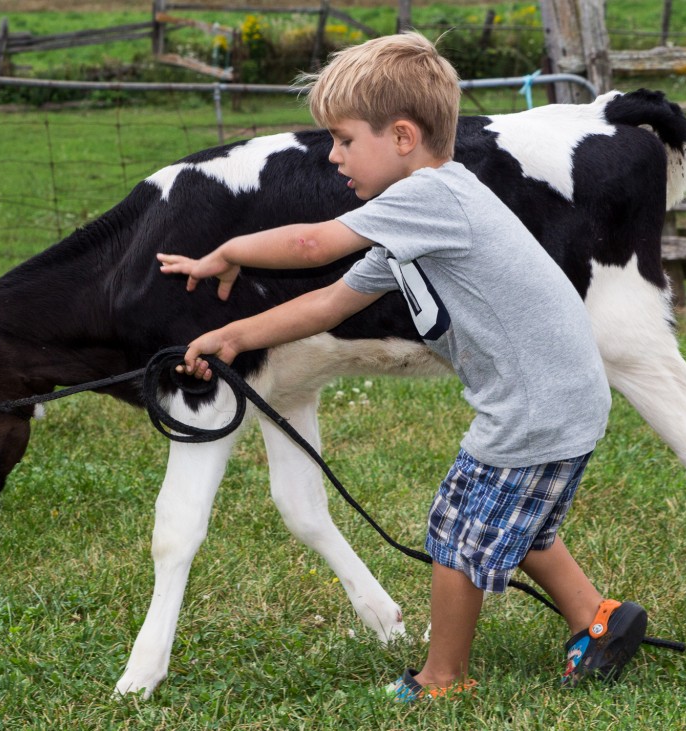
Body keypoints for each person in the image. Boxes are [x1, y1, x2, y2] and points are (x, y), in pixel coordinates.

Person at [156, 31, 647, 702]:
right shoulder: (420, 220)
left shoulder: (431, 197)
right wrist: (234, 337)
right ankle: (598, 618)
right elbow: (331, 300)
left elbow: (312, 245)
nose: (333, 156)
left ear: (404, 137)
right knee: (518, 524)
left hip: (536, 406)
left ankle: (443, 678)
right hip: (555, 397)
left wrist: (230, 249)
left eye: (344, 140)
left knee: (456, 530)